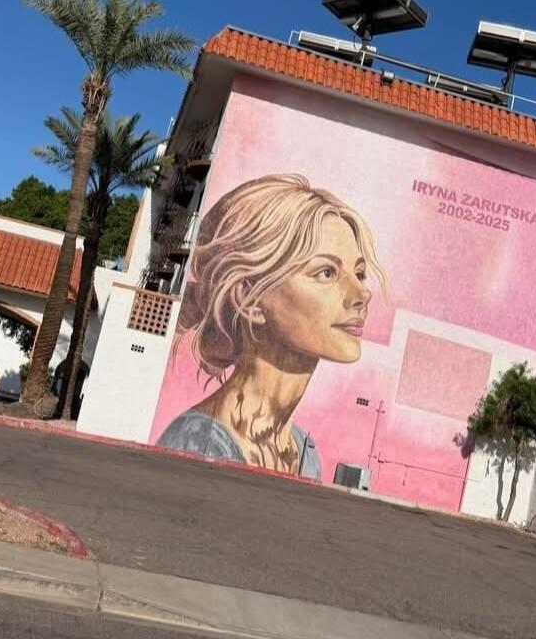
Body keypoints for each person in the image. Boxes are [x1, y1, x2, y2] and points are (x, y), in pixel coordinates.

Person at [157, 174, 384, 478]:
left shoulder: (302, 449)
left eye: (359, 273)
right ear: (248, 298)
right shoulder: (200, 444)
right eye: (326, 273)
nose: (362, 294)